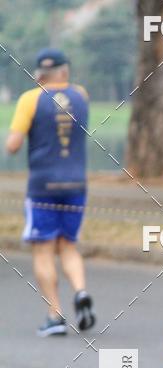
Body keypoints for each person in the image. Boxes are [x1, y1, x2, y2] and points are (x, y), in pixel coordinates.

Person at [5, 48, 95, 336]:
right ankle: (81, 292)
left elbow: (13, 145)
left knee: (43, 250)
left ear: (39, 75)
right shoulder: (81, 95)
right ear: (65, 71)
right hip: (76, 184)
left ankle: (55, 315)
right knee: (68, 245)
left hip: (43, 186)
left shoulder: (30, 99)